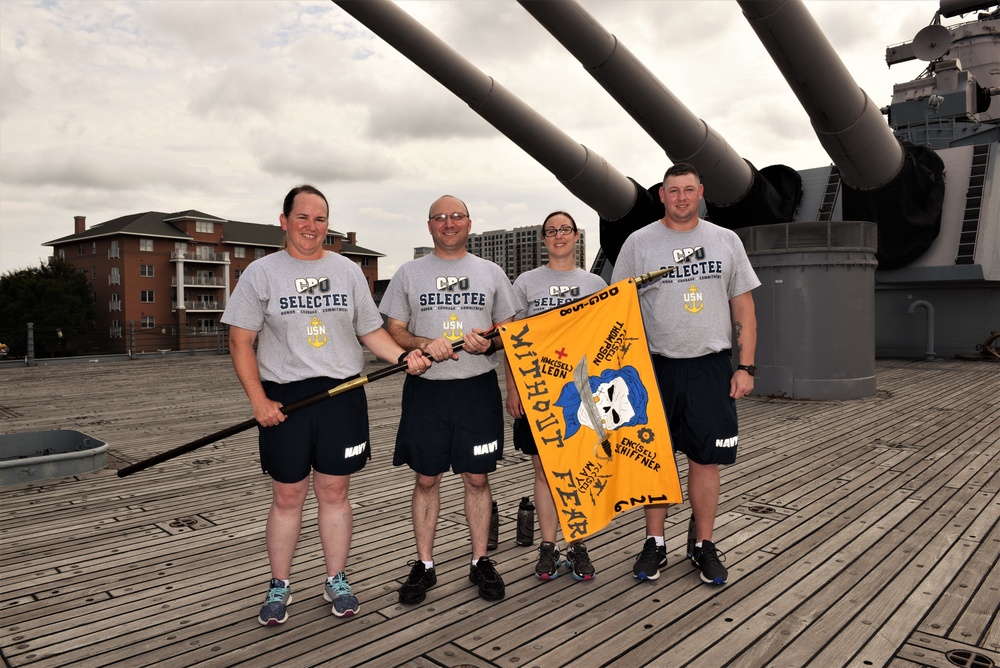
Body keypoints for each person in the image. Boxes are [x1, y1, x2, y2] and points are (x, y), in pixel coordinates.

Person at [222, 185, 431, 626]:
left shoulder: (349, 271)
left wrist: (402, 357)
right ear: (284, 221)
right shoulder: (261, 274)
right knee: (287, 495)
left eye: (320, 219)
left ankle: (336, 578)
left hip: (342, 394)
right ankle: (279, 584)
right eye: (302, 217)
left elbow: (370, 332)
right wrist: (259, 401)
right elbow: (240, 342)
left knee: (335, 493)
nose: (311, 227)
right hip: (287, 397)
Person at [611, 163, 759, 586]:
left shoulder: (725, 240)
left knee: (705, 458)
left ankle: (702, 545)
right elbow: (615, 306)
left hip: (711, 366)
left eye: (688, 190)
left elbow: (744, 308)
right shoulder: (638, 243)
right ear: (661, 194)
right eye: (672, 191)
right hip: (654, 366)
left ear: (701, 193)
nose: (680, 198)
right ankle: (654, 543)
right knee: (654, 457)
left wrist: (745, 366)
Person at [380, 195, 519, 604]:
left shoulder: (491, 272)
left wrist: (486, 341)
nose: (449, 223)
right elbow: (395, 330)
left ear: (469, 223)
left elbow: (509, 334)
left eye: (456, 216)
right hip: (427, 391)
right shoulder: (408, 273)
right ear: (429, 226)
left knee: (477, 478)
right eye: (440, 217)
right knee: (427, 478)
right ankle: (424, 565)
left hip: (476, 390)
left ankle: (479, 561)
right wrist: (424, 343)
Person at [504, 211, 608, 582]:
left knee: (578, 471)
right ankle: (548, 547)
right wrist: (513, 387)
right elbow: (510, 339)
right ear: (543, 240)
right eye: (551, 231)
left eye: (565, 229)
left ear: (577, 236)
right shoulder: (526, 283)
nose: (558, 236)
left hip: (581, 393)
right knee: (545, 473)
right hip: (537, 390)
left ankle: (577, 544)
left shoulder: (595, 283)